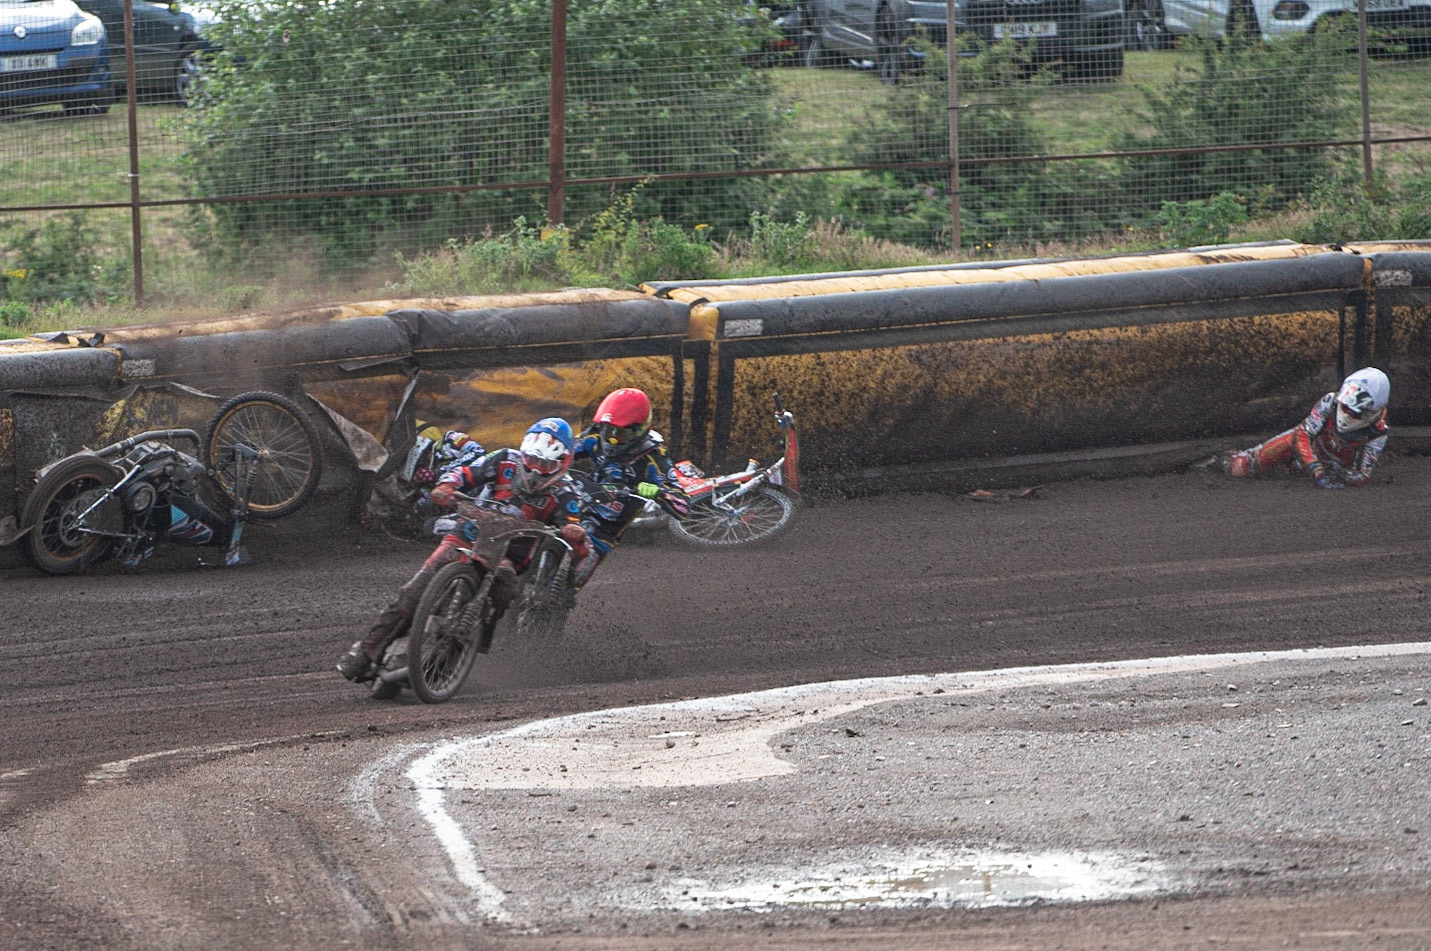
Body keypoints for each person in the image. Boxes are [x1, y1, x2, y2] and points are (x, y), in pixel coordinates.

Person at [337, 417, 593, 682]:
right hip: (468, 535)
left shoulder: (567, 491)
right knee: (414, 590)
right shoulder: (504, 459)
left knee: (502, 591)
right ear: (524, 452)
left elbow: (574, 526)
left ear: (561, 464)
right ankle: (363, 652)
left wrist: (573, 532)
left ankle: (452, 658)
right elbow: (468, 472)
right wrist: (447, 486)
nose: (536, 470)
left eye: (546, 464)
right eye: (532, 460)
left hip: (510, 556)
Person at [568, 387, 688, 589]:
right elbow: (564, 451)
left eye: (619, 434)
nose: (611, 438)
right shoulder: (596, 437)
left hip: (603, 530)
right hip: (573, 506)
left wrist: (657, 491)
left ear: (638, 432)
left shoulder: (653, 458)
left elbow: (684, 505)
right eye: (608, 430)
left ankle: (554, 609)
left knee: (571, 584)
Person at [1224, 367, 1390, 489]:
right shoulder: (1331, 402)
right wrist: (1316, 469)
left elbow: (1360, 476)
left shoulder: (1377, 433)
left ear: (1371, 411)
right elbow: (1302, 434)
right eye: (1345, 406)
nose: (1346, 412)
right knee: (1240, 467)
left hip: (1331, 467)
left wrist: (1336, 474)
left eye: (1354, 411)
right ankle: (1219, 461)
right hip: (1306, 452)